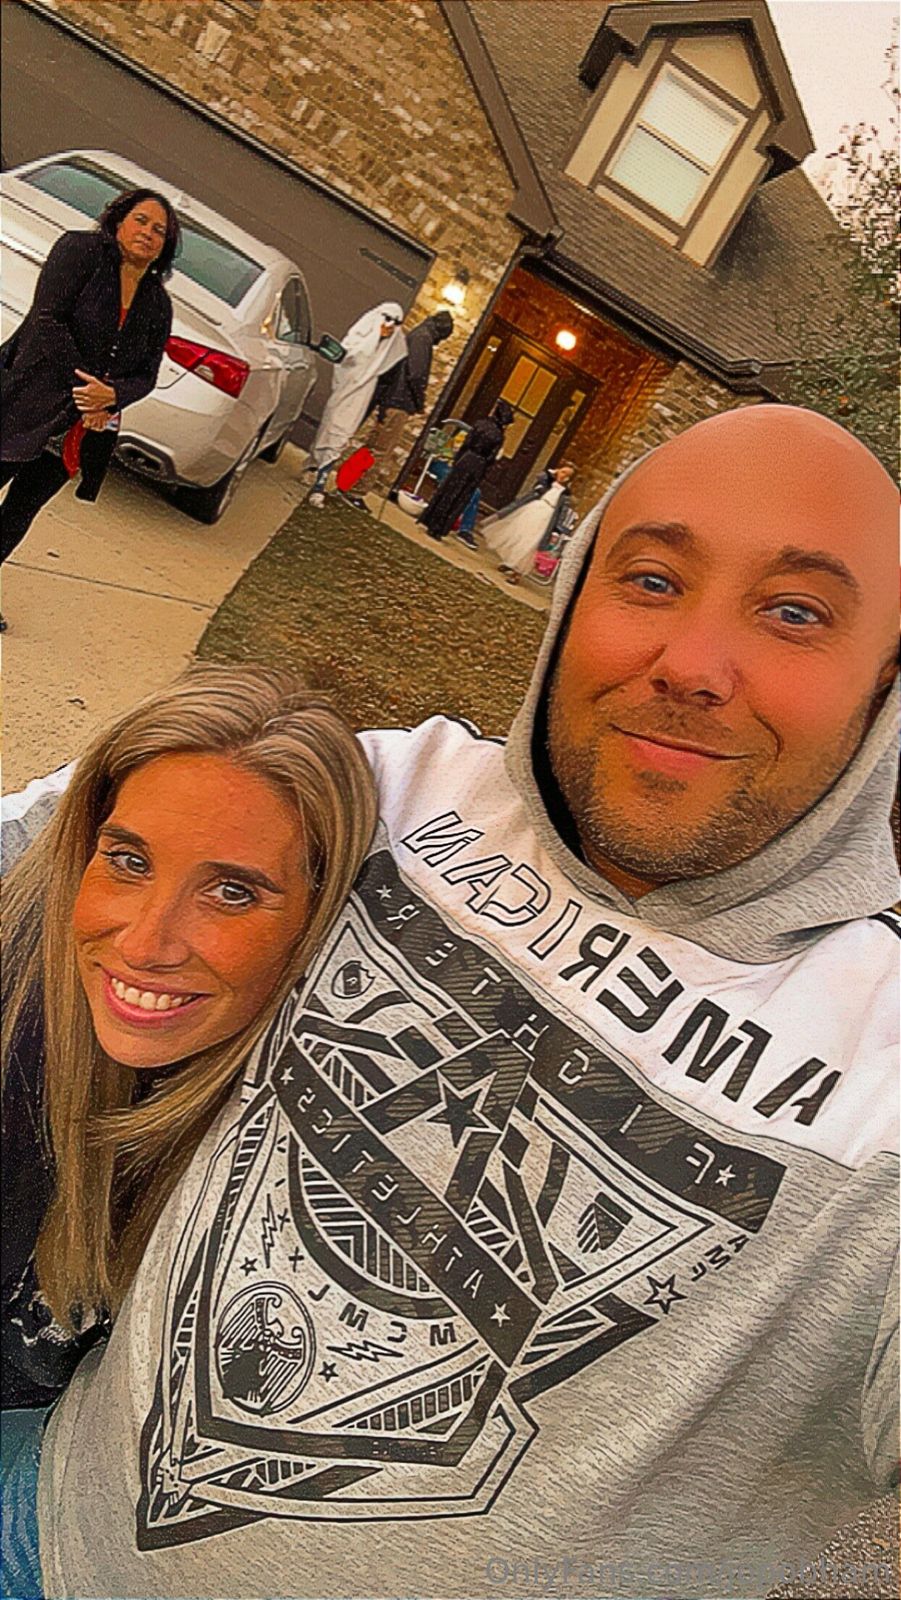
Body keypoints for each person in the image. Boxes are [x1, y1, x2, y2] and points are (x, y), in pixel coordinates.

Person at [2, 407, 898, 1600]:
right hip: (38, 1511)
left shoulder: (881, 1079)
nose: (692, 663)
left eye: (794, 612)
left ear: (884, 677)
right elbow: (50, 842)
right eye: (649, 579)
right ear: (570, 598)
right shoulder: (393, 790)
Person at [0, 663, 376, 1598]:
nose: (146, 941)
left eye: (233, 893)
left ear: (318, 921)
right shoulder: (18, 1006)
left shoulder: (304, 1113)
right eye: (128, 861)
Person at [0, 189, 178, 630]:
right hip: (26, 398)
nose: (148, 233)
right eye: (141, 220)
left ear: (166, 246)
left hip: (80, 428)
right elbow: (48, 319)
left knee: (20, 510)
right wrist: (91, 393)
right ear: (118, 219)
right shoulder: (79, 251)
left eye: (159, 230)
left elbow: (146, 374)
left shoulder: (158, 304)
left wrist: (112, 395)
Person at [335, 309, 455, 510]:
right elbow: (416, 374)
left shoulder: (417, 334)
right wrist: (419, 401)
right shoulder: (423, 339)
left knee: (371, 448)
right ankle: (355, 491)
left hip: (391, 400)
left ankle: (346, 483)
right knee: (380, 451)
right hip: (399, 402)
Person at [306, 302, 406, 507]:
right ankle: (313, 466)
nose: (389, 326)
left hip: (361, 399)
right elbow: (348, 357)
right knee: (328, 431)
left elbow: (388, 379)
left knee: (340, 437)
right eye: (387, 319)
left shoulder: (390, 354)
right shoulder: (357, 338)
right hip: (343, 393)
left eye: (396, 323)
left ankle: (320, 484)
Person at [420, 398, 514, 540]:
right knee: (459, 496)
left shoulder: (480, 424)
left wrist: (458, 459)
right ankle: (440, 528)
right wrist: (484, 468)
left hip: (466, 459)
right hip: (478, 465)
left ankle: (431, 519)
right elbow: (491, 457)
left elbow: (467, 443)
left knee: (448, 490)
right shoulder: (498, 436)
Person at [482, 460, 577, 576]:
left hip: (547, 516)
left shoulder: (565, 494)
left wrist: (558, 529)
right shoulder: (547, 483)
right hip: (534, 509)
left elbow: (562, 512)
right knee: (520, 535)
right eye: (563, 472)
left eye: (567, 476)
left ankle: (518, 570)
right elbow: (540, 478)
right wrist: (550, 474)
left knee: (531, 541)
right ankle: (510, 562)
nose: (563, 476)